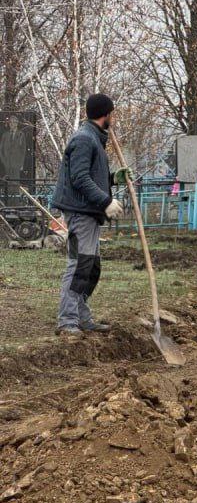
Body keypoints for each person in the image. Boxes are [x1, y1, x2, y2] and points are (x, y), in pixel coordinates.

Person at [51, 93, 124, 337]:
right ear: (106, 114)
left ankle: (82, 317)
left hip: (88, 211)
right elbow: (79, 178)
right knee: (80, 265)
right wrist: (106, 201)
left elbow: (90, 176)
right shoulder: (84, 139)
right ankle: (67, 320)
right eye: (112, 114)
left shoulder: (94, 138)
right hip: (81, 211)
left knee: (91, 268)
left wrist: (113, 179)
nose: (113, 118)